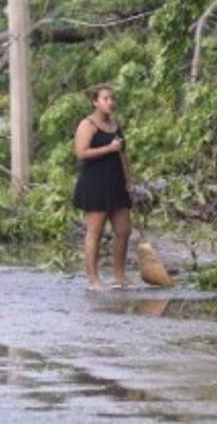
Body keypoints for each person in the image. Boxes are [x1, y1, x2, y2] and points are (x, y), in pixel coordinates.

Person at [73, 84, 134, 291]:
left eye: (112, 98)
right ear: (95, 102)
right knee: (95, 231)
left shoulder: (116, 124)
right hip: (95, 182)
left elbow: (123, 153)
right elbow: (81, 153)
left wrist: (129, 179)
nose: (110, 102)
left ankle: (119, 276)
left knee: (124, 230)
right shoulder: (88, 124)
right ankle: (94, 280)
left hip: (116, 181)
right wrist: (109, 148)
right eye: (106, 99)